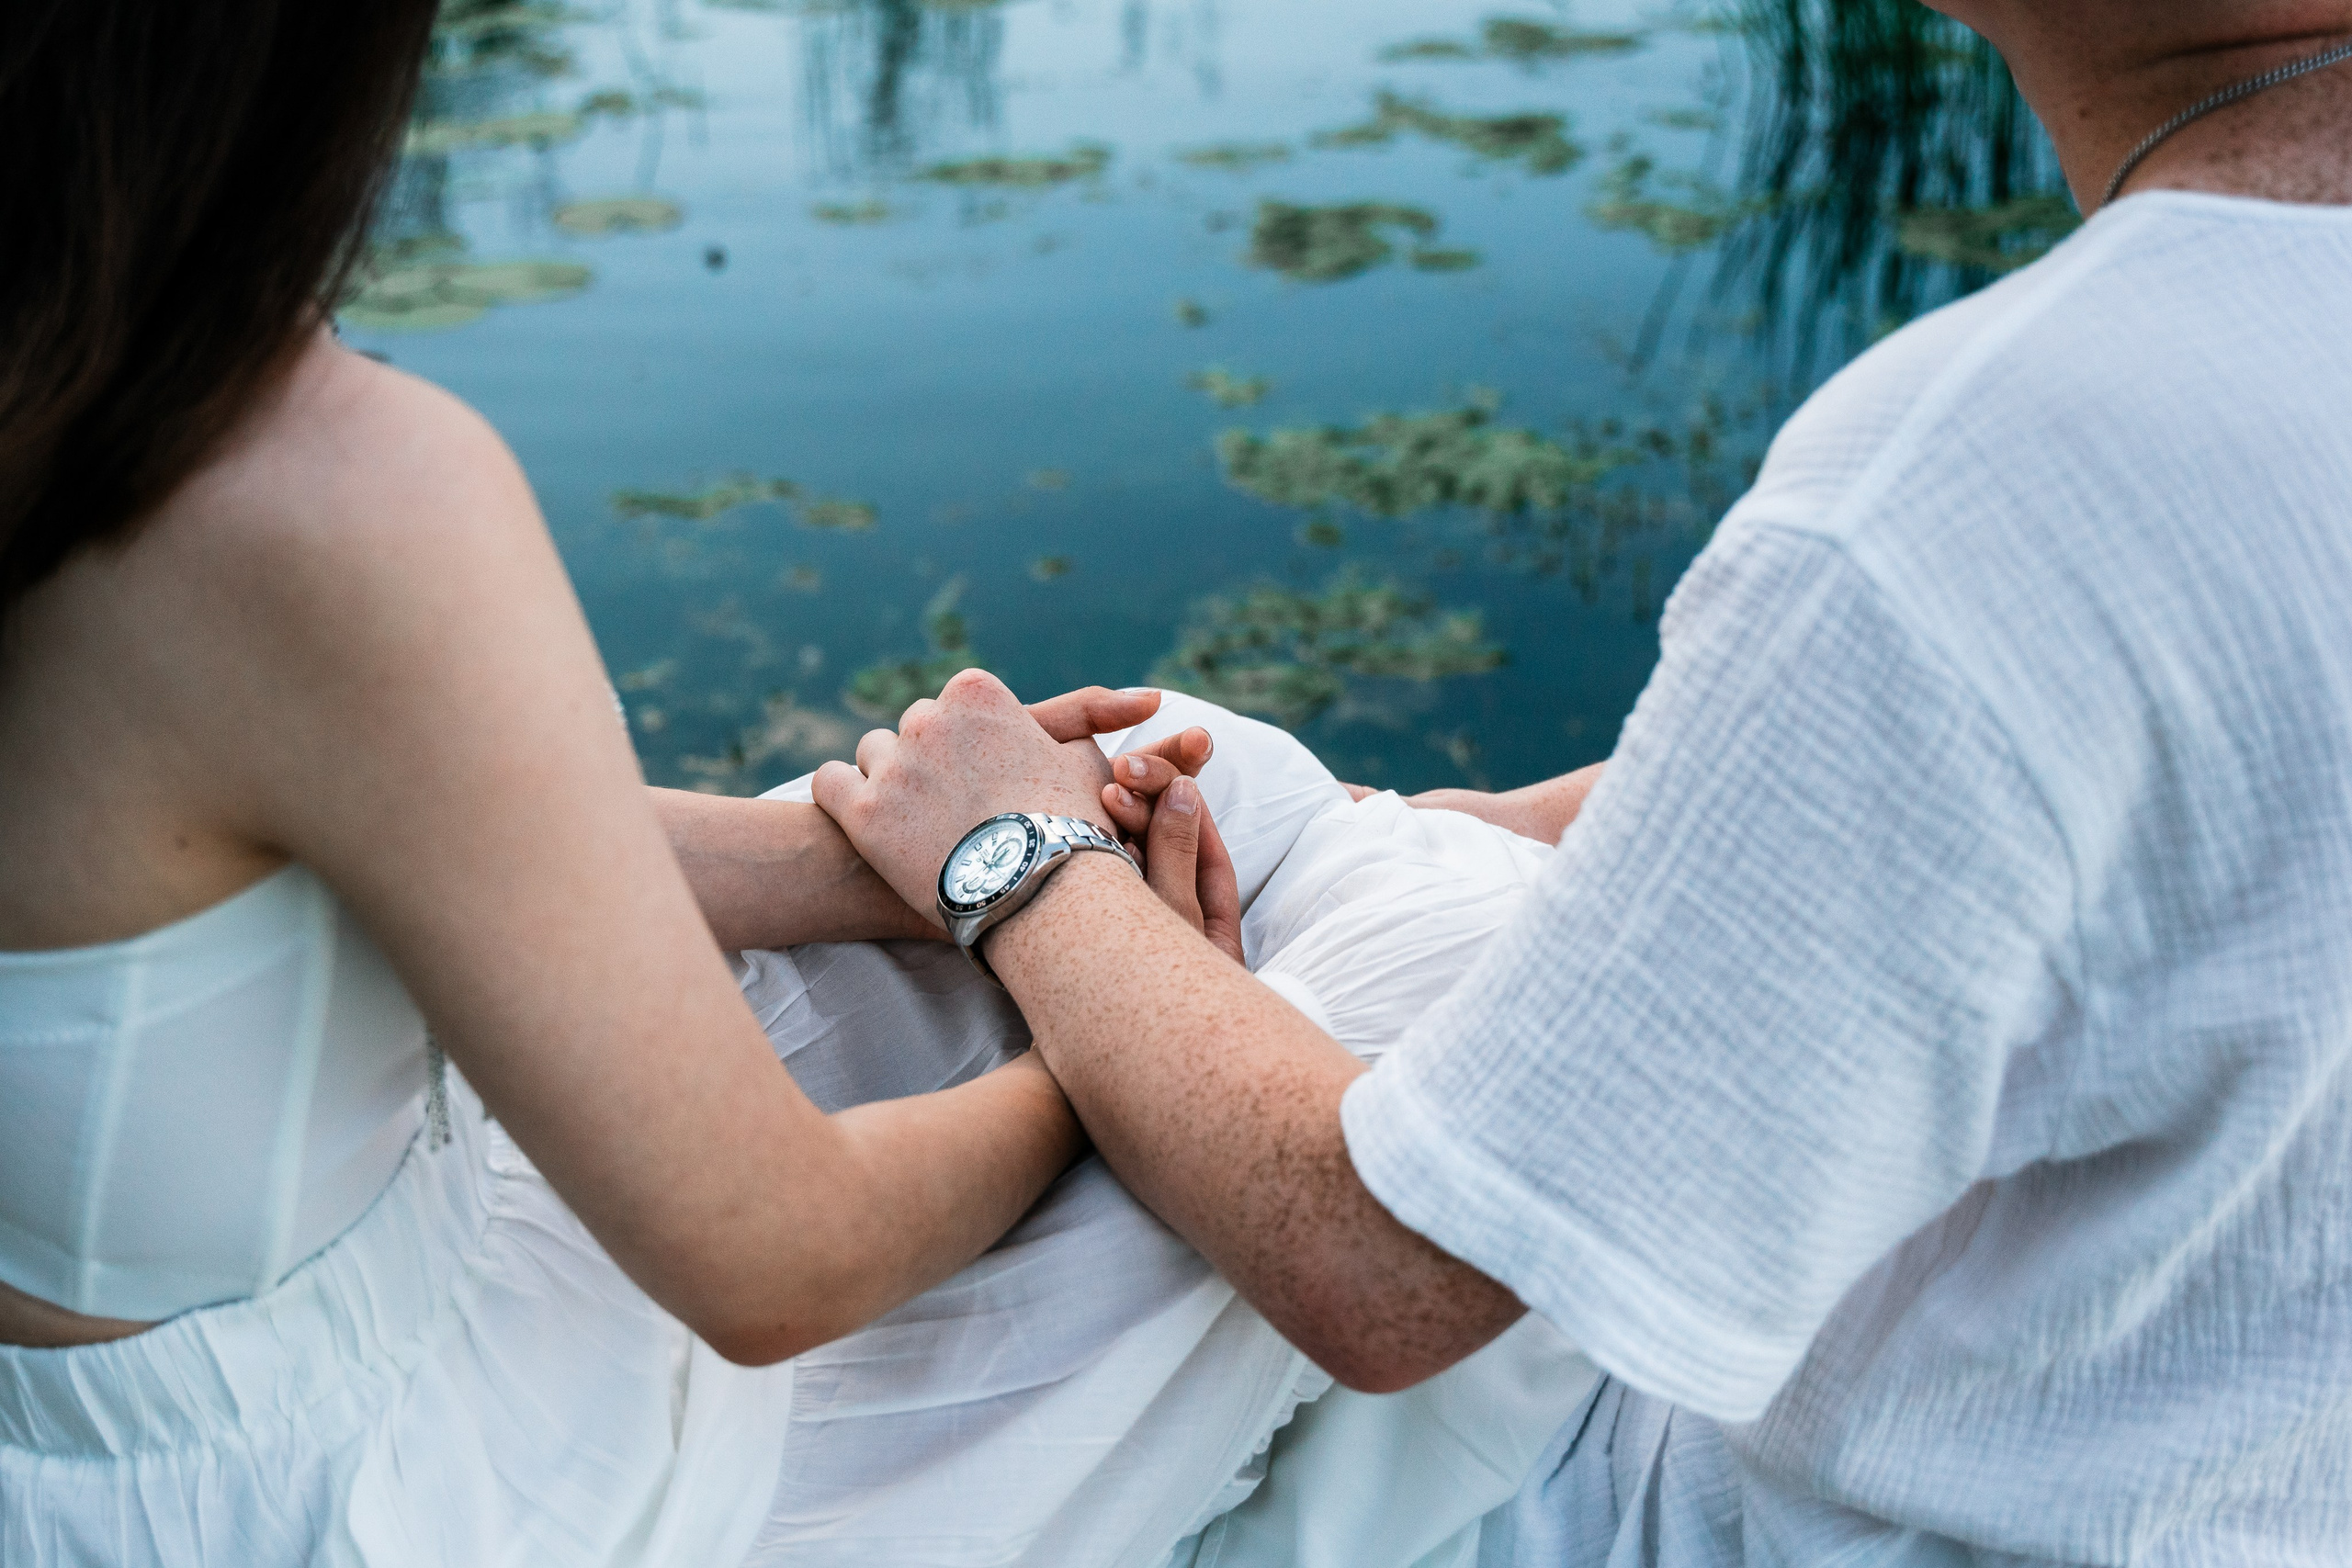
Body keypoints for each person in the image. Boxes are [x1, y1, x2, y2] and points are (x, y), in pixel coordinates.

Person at [809, 4, 2352, 1562]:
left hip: (1729, 1515)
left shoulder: (1992, 469)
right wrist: (1409, 833)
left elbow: (1384, 1272)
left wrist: (1021, 868)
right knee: (1283, 823)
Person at [0, 8, 1319, 1563]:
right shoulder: (304, 491)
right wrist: (1098, 1033)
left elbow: (262, 850)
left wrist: (878, 866)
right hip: (385, 1488)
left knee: (1271, 821)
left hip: (70, 1464)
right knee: (1332, 955)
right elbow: (776, 1261)